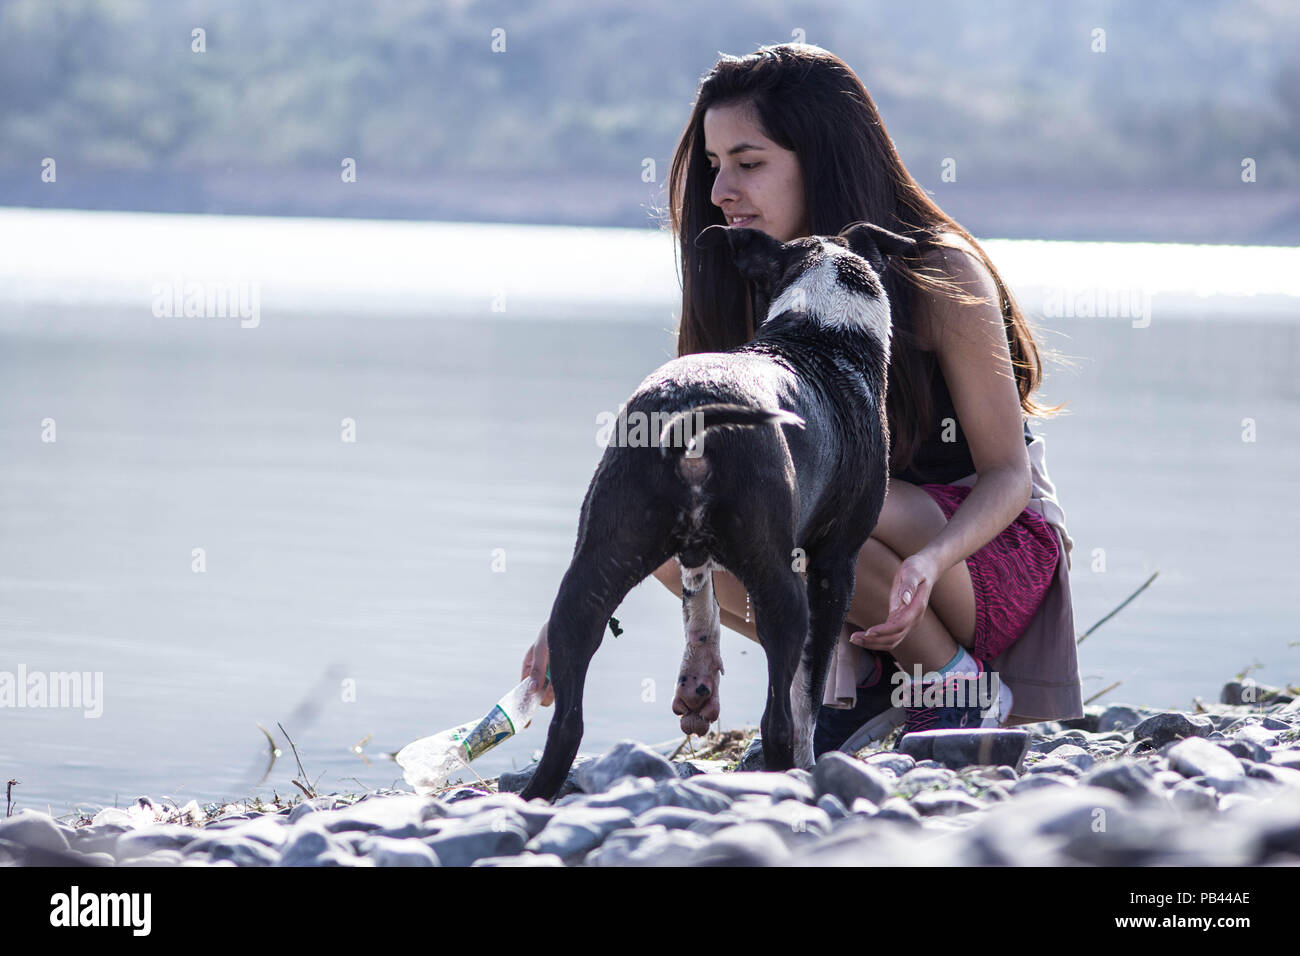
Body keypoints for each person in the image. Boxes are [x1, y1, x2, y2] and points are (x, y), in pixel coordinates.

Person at [521, 43, 1082, 752]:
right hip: (857, 560)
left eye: (749, 164)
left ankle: (955, 687)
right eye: (715, 165)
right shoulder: (748, 277)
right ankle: (873, 681)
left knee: (842, 499)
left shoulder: (936, 271)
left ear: (823, 159)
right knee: (664, 501)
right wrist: (570, 619)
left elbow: (1009, 474)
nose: (722, 189)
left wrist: (931, 562)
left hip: (982, 553)